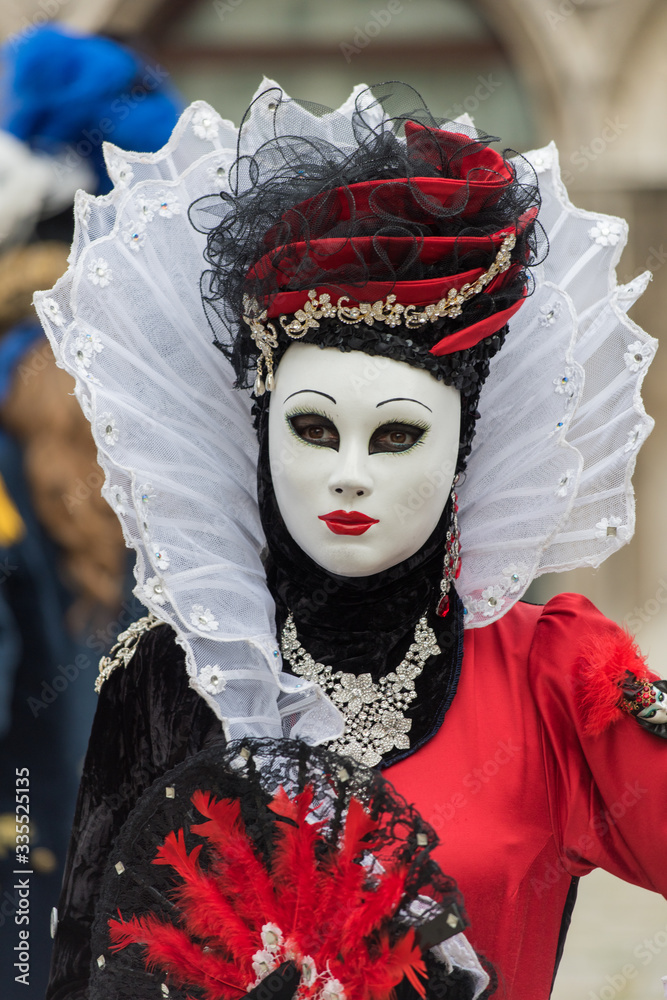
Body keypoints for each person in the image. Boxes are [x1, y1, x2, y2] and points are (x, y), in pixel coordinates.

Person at [36, 82, 663, 1000]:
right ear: (260, 436)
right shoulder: (169, 677)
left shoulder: (550, 682)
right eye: (314, 431)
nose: (350, 475)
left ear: (461, 456)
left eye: (398, 435)